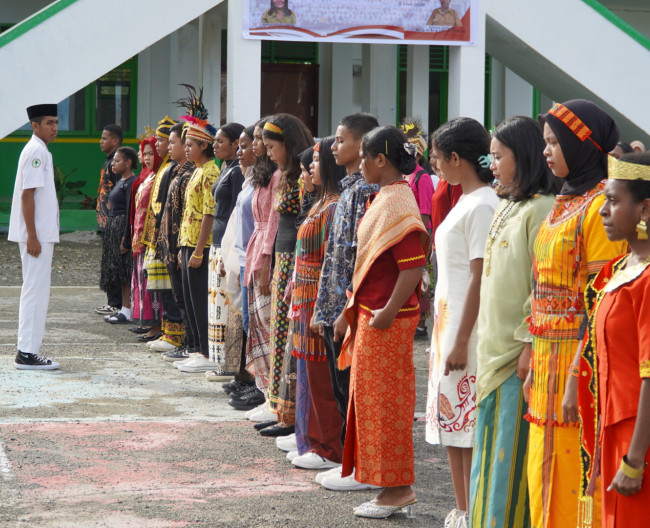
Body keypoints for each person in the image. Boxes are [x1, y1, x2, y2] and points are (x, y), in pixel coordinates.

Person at [525, 99, 625, 528]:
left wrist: (574, 378)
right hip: (546, 359)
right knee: (542, 470)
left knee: (573, 471)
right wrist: (533, 359)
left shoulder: (601, 207)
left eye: (554, 142)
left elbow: (599, 300)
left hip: (578, 364)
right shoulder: (563, 201)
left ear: (581, 144)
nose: (546, 150)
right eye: (545, 141)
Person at [333, 126, 428, 518]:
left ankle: (398, 489)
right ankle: (388, 486)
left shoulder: (397, 201)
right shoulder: (387, 196)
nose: (360, 164)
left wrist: (387, 311)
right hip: (373, 314)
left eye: (365, 157)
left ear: (381, 160)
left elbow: (412, 265)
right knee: (373, 404)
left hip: (387, 319)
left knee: (386, 406)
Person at [469, 116, 555, 528]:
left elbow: (542, 286)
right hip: (491, 351)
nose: (492, 165)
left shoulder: (541, 209)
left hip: (514, 356)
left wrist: (528, 344)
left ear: (522, 157)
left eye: (499, 156)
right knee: (487, 458)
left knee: (507, 462)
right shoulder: (507, 204)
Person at [424, 117, 499, 528]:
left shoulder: (484, 203)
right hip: (449, 323)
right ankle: (463, 507)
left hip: (464, 330)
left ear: (456, 158)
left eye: (437, 157)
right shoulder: (468, 199)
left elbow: (479, 276)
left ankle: (473, 509)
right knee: (454, 423)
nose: (434, 165)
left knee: (466, 423)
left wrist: (460, 338)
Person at [577, 153, 650, 528]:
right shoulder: (621, 269)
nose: (603, 211)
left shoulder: (647, 279)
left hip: (638, 437)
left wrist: (635, 459)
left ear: (645, 209)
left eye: (613, 201)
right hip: (613, 427)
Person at [310, 112, 379, 491]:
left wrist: (344, 312)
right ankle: (349, 462)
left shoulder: (367, 192)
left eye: (340, 140)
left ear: (362, 144)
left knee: (352, 389)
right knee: (341, 390)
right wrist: (323, 308)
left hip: (349, 309)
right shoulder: (348, 190)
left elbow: (360, 259)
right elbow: (334, 257)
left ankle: (361, 468)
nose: (333, 146)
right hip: (333, 306)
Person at [289, 138, 346, 468]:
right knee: (309, 373)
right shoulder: (321, 201)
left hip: (317, 300)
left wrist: (322, 307)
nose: (310, 167)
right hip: (305, 296)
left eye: (315, 161)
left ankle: (329, 447)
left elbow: (329, 261)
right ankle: (312, 440)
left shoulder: (334, 206)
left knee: (322, 376)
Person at [261, 114, 314, 428]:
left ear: (288, 144)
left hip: (295, 262)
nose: (268, 153)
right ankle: (278, 407)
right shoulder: (284, 175)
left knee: (289, 334)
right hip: (282, 262)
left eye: (272, 147)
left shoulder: (305, 176)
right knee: (279, 334)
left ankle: (291, 414)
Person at [10, 104, 60, 370]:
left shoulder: (41, 150)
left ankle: (29, 350)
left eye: (56, 122)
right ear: (35, 125)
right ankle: (27, 352)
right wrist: (32, 235)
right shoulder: (35, 151)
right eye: (49, 123)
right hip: (36, 235)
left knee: (38, 290)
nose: (55, 127)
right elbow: (27, 195)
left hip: (40, 233)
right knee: (35, 291)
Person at [237, 118, 280, 411]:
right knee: (254, 324)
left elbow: (273, 223)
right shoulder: (262, 175)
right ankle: (263, 389)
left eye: (259, 139)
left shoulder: (277, 177)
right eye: (254, 138)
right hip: (253, 251)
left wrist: (265, 264)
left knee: (267, 326)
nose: (255, 145)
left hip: (265, 255)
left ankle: (270, 393)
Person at [173, 106, 221, 374]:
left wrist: (199, 250)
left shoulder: (211, 172)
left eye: (191, 144)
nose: (187, 149)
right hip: (188, 242)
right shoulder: (198, 171)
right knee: (190, 300)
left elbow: (208, 213)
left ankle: (205, 351)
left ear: (204, 145)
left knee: (200, 301)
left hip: (198, 245)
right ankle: (197, 349)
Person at [207, 122, 245, 378]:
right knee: (216, 304)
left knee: (226, 304)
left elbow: (235, 214)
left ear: (235, 144)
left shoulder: (237, 172)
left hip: (227, 244)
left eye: (221, 141)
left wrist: (229, 252)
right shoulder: (226, 168)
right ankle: (219, 359)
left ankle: (228, 363)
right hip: (218, 241)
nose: (215, 145)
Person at [158, 122, 197, 363]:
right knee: (179, 296)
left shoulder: (191, 173)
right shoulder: (176, 170)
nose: (170, 147)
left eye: (174, 142)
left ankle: (191, 344)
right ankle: (186, 343)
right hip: (172, 245)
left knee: (186, 299)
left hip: (182, 244)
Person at [401, 118, 437, 338]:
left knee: (422, 278)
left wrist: (420, 238)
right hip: (408, 233)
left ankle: (422, 324)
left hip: (421, 233)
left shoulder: (422, 177)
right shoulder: (406, 175)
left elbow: (425, 211)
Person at [128, 136, 163, 335]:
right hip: (139, 237)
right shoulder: (148, 176)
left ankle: (156, 325)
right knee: (141, 282)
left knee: (152, 284)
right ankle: (147, 322)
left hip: (151, 238)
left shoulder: (159, 176)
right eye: (145, 154)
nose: (147, 157)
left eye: (151, 153)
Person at [100, 147, 139, 324]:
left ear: (128, 162)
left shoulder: (131, 182)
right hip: (114, 228)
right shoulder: (120, 180)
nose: (113, 164)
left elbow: (131, 211)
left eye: (117, 161)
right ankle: (124, 308)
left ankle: (128, 310)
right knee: (120, 273)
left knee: (125, 272)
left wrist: (126, 237)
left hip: (122, 228)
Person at [95, 123, 123, 316]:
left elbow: (119, 192)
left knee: (114, 263)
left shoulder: (116, 164)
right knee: (108, 262)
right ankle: (113, 301)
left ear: (115, 141)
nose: (100, 142)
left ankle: (116, 303)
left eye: (104, 138)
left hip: (114, 222)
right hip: (106, 222)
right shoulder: (109, 162)